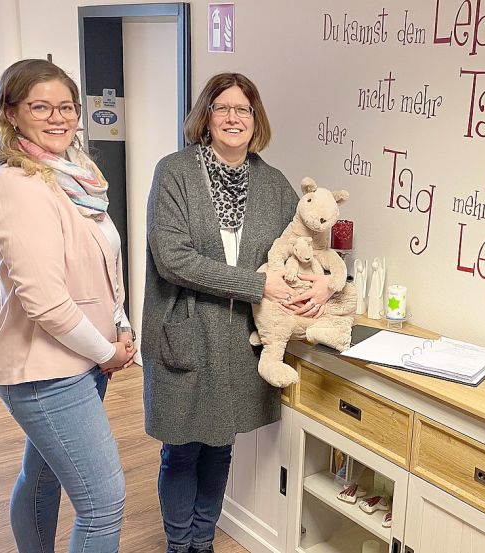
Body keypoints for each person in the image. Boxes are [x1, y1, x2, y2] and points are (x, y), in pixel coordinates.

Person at [142, 72, 333, 553]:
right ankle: (178, 545)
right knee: (182, 451)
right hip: (187, 331)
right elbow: (173, 258)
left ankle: (202, 542)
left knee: (220, 446)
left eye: (243, 109)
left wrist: (330, 282)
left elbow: (309, 239)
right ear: (205, 116)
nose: (233, 117)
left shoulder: (272, 184)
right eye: (222, 107)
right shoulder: (176, 172)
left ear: (255, 120)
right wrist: (256, 283)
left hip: (239, 341)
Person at [0, 59, 135, 552]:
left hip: (82, 357)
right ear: (11, 114)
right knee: (102, 504)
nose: (58, 118)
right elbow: (46, 303)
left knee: (43, 477)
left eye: (66, 106)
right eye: (40, 107)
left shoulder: (77, 174)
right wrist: (105, 352)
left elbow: (103, 262)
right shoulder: (18, 186)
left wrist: (120, 324)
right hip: (45, 372)